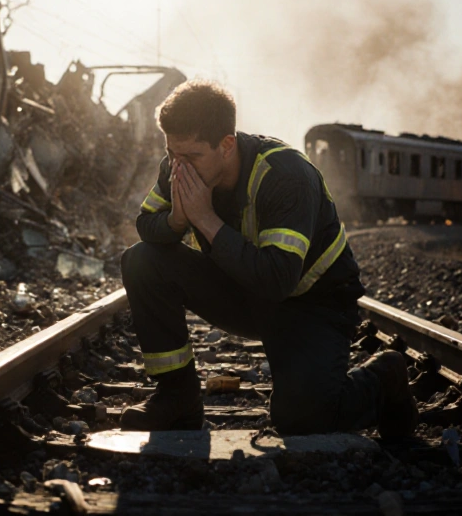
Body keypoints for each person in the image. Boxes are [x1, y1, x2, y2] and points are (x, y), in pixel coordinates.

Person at [119, 80, 418, 438]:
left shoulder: (286, 177)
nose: (178, 167)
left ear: (226, 145)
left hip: (311, 304)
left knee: (302, 420)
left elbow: (278, 280)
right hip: (245, 290)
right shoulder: (179, 166)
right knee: (142, 261)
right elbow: (146, 225)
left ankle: (386, 377)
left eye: (192, 157)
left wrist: (206, 219)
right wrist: (178, 219)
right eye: (171, 153)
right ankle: (177, 398)